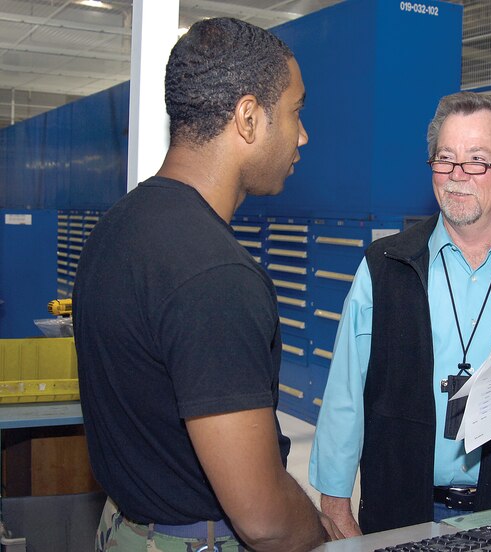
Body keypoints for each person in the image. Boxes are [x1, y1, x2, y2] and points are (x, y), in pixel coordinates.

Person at [73, 17, 340, 552]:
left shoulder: (118, 227)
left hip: (122, 527)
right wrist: (321, 535)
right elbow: (262, 519)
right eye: (295, 111)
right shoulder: (216, 277)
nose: (302, 134)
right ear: (248, 117)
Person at [308, 91, 491, 536]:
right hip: (401, 514)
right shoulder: (385, 266)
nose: (457, 176)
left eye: (477, 160)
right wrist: (335, 505)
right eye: (445, 159)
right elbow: (346, 394)